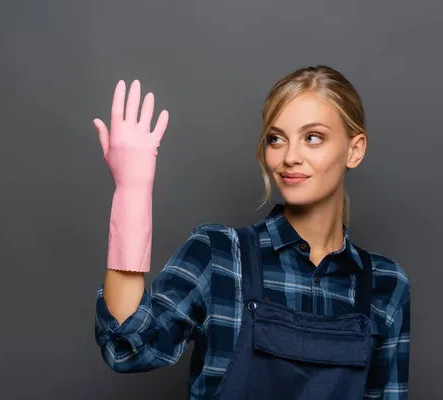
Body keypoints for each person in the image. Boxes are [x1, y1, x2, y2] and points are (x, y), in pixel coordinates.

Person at [92, 65, 410, 399]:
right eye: (276, 139)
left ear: (355, 150)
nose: (289, 157)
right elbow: (126, 348)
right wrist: (132, 191)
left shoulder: (386, 286)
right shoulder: (218, 255)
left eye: (312, 137)